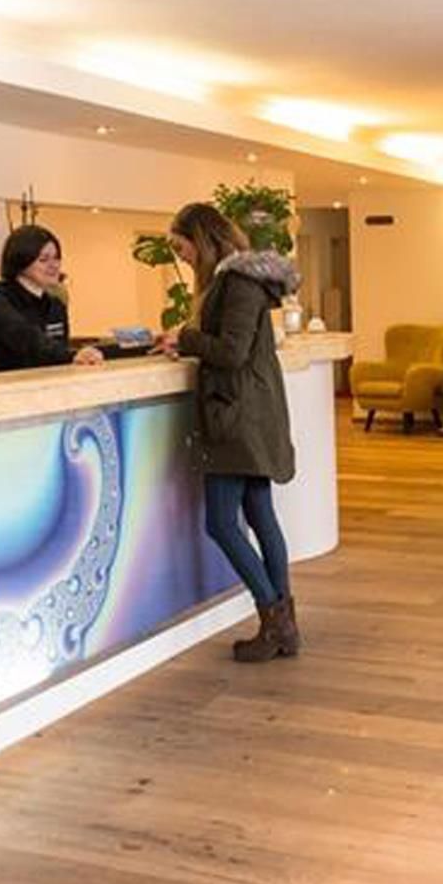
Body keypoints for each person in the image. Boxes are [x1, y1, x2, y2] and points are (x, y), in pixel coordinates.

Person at [158, 201, 302, 661]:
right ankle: (284, 626)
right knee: (261, 517)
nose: (181, 257)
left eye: (182, 247)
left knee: (221, 522)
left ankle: (273, 618)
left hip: (236, 417)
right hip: (247, 414)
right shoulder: (240, 279)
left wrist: (185, 338)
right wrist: (190, 342)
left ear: (200, 239)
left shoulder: (237, 282)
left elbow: (232, 352)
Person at [0, 224, 106, 374]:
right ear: (20, 261)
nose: (54, 265)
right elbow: (25, 338)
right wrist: (72, 355)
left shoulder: (55, 306)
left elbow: (57, 352)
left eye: (56, 258)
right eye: (43, 260)